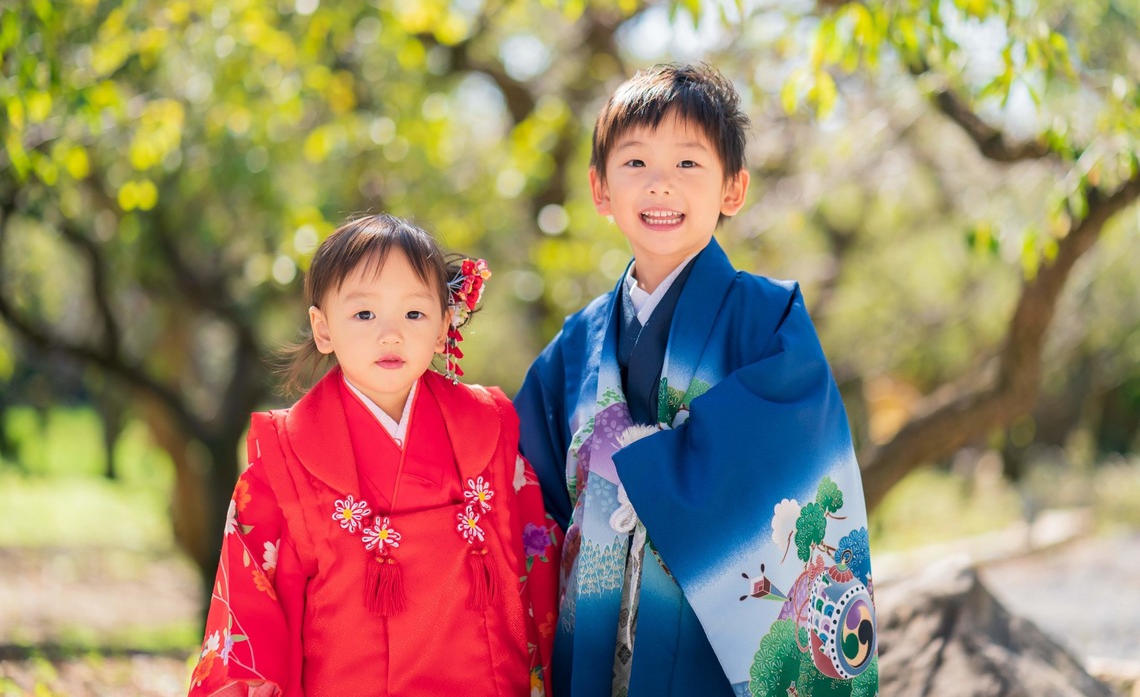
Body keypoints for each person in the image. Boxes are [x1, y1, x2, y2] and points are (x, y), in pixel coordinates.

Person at [515, 63, 878, 697]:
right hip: (595, 638)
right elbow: (527, 489)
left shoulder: (770, 320)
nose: (660, 186)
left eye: (688, 165)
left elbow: (788, 452)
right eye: (634, 165)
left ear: (732, 190)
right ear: (600, 191)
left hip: (708, 649)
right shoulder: (575, 345)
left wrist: (647, 465)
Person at [188, 214, 559, 696]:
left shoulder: (489, 430)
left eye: (414, 314)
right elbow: (252, 602)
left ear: (446, 323)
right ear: (322, 328)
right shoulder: (285, 458)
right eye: (364, 315)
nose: (391, 335)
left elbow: (538, 571)